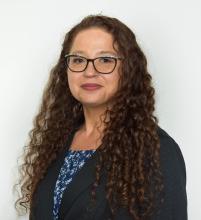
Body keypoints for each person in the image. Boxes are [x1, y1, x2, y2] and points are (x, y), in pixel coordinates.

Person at [14, 14, 187, 220]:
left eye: (105, 60)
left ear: (128, 69)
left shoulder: (156, 150)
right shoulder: (57, 143)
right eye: (78, 60)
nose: (89, 71)